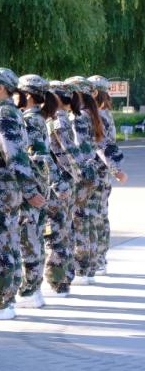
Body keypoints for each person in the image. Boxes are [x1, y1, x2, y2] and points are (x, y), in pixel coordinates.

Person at [0, 68, 44, 320]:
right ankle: (7, 299)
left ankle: (2, 303)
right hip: (2, 185)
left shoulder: (3, 113)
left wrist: (29, 189)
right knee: (7, 241)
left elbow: (14, 153)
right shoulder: (6, 112)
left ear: (1, 88)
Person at [43, 80, 87, 297]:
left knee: (57, 231)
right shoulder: (59, 117)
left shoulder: (57, 119)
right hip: (63, 182)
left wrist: (77, 175)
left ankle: (58, 280)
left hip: (58, 183)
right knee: (64, 229)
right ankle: (62, 278)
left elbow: (68, 153)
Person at [15, 74, 52, 309]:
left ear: (27, 95)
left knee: (28, 238)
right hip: (39, 185)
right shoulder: (38, 118)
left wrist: (30, 189)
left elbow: (36, 157)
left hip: (32, 188)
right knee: (34, 236)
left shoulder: (30, 120)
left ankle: (30, 290)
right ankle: (33, 288)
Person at [65, 76, 106, 285]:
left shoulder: (78, 117)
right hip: (93, 172)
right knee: (88, 219)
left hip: (82, 173)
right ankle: (89, 268)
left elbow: (78, 146)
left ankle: (81, 269)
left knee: (79, 220)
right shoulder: (93, 114)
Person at [87, 75, 129, 275]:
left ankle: (96, 259)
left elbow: (103, 145)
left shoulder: (98, 114)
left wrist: (116, 170)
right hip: (101, 172)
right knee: (100, 215)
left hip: (95, 171)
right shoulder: (104, 113)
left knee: (95, 216)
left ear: (94, 92)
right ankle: (100, 258)